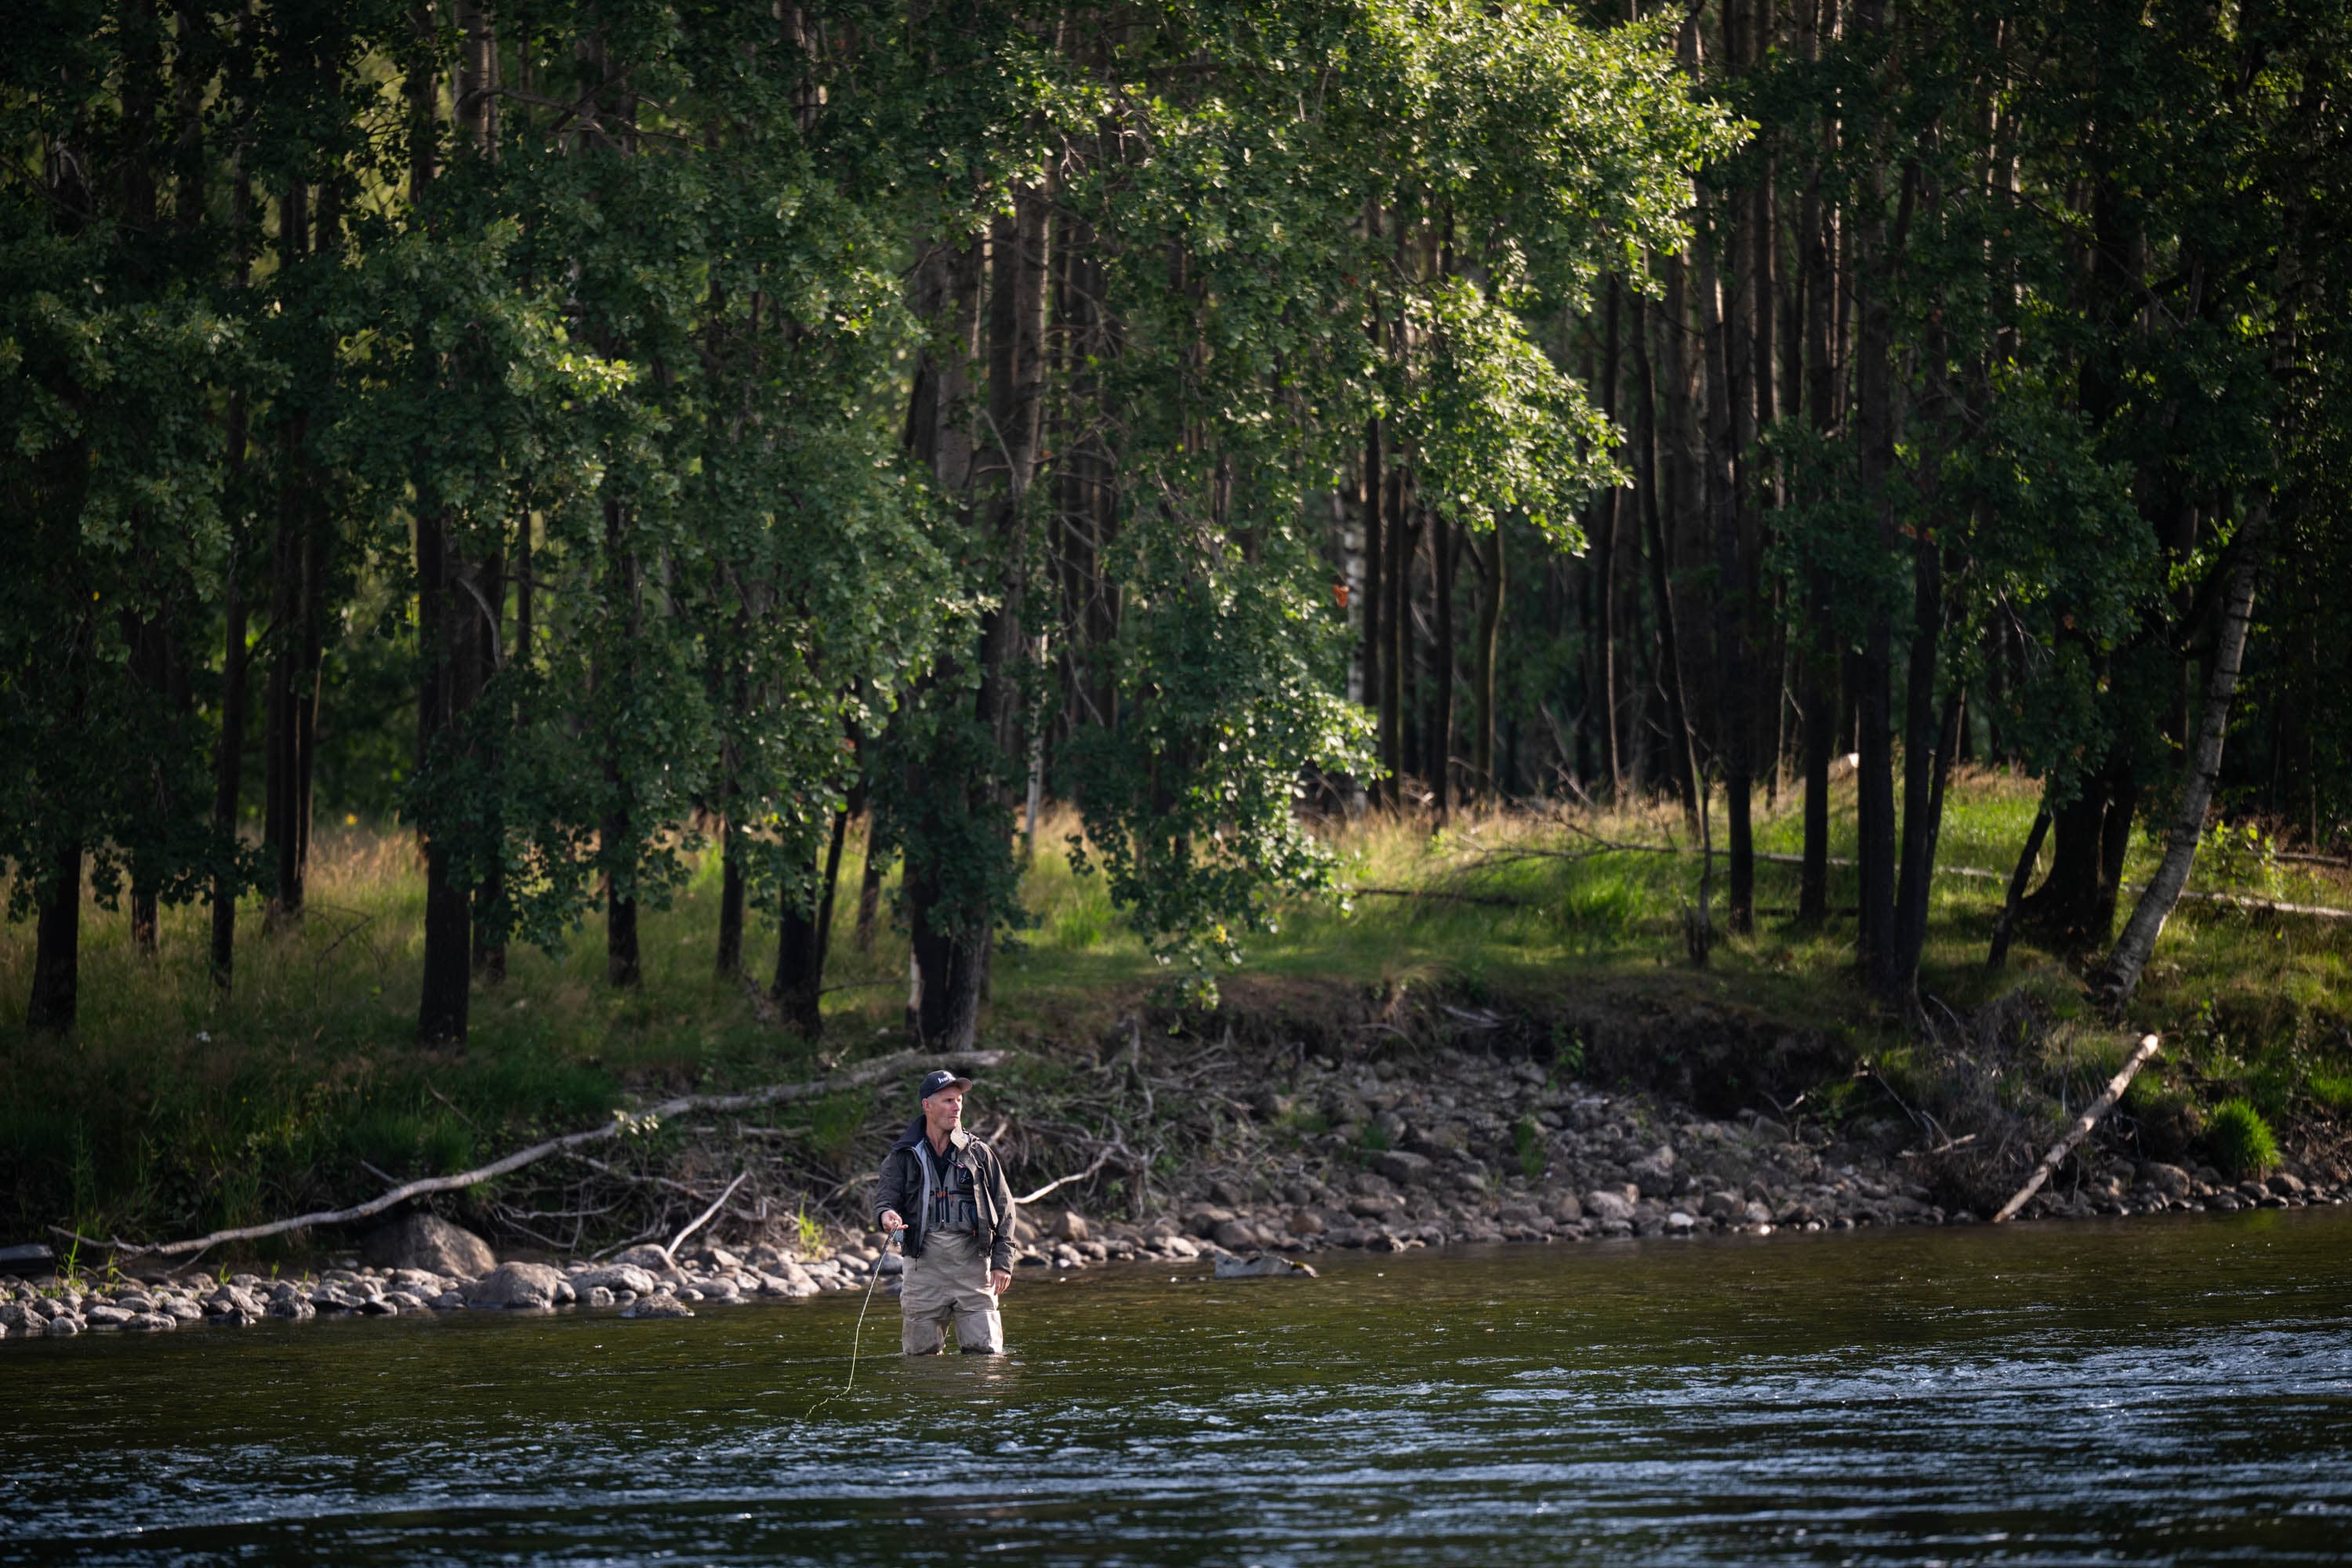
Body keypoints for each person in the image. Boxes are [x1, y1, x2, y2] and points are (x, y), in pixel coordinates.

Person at [874, 1069, 1016, 1355]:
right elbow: (885, 1200)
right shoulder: (903, 1154)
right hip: (922, 1269)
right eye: (948, 1100)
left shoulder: (979, 1153)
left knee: (985, 1358)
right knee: (920, 1361)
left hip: (974, 1269)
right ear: (927, 1105)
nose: (957, 1107)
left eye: (959, 1100)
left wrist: (1003, 1262)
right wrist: (886, 1216)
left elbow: (1005, 1209)